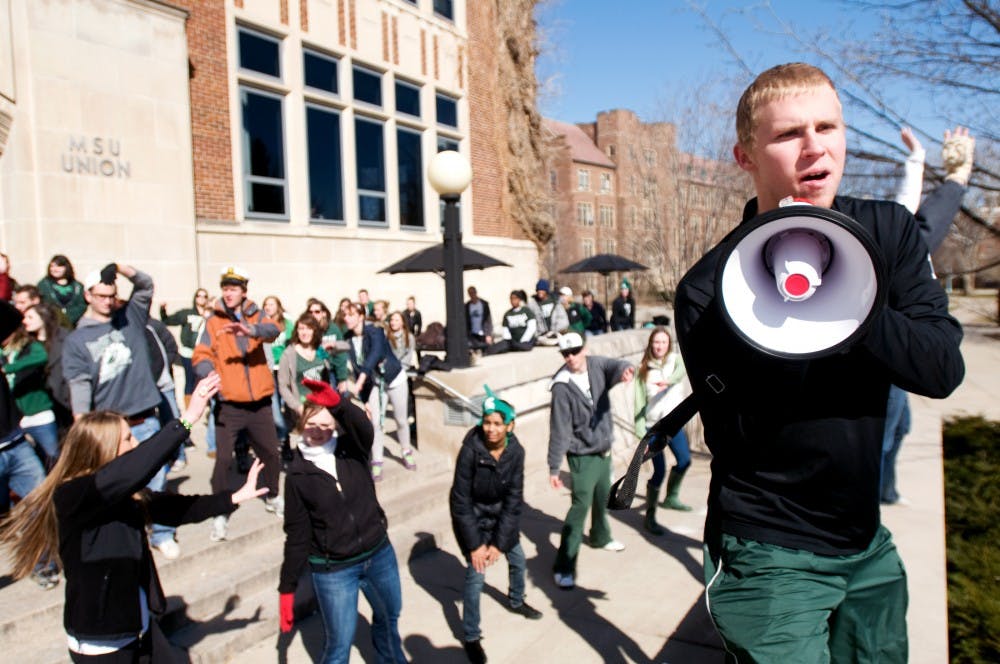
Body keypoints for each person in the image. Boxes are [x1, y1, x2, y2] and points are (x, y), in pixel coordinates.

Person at [673, 63, 964, 662]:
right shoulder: (707, 290)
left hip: (866, 548)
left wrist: (856, 305)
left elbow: (940, 369)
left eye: (828, 126)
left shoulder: (889, 232)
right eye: (787, 135)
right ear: (744, 156)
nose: (815, 148)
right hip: (770, 554)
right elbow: (737, 434)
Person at [0, 373, 267, 663]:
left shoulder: (127, 495)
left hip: (140, 628)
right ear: (101, 448)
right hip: (103, 645)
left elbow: (177, 508)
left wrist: (232, 498)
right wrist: (187, 419)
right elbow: (136, 467)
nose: (134, 444)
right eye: (127, 439)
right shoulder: (75, 495)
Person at [278, 379, 407, 664]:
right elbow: (297, 535)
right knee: (339, 645)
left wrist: (339, 403)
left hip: (378, 554)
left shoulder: (352, 448)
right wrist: (287, 587)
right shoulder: (297, 476)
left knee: (388, 620)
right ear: (301, 424)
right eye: (312, 425)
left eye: (326, 425)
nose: (319, 431)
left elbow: (364, 427)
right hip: (334, 570)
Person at [881, 125, 974, 506]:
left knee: (901, 426)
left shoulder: (903, 240)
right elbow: (921, 220)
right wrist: (954, 177)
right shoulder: (896, 244)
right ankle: (867, 507)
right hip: (887, 353)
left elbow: (911, 213)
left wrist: (918, 160)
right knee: (883, 434)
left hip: (904, 344)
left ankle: (886, 491)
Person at [62, 263, 181, 558]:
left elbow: (145, 285)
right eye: (101, 295)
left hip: (145, 419)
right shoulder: (77, 340)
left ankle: (162, 533)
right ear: (88, 295)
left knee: (157, 479)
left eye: (112, 295)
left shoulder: (130, 316)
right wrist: (83, 426)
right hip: (112, 427)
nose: (107, 301)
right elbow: (79, 388)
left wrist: (122, 268)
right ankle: (133, 534)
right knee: (120, 488)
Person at [450, 387, 542, 663]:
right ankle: (471, 636)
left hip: (502, 518)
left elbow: (514, 500)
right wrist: (477, 545)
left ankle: (516, 600)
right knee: (475, 578)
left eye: (497, 424)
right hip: (473, 520)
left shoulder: (517, 452)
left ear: (510, 425)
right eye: (486, 422)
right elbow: (460, 501)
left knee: (518, 560)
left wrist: (499, 544)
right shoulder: (470, 450)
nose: (491, 429)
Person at [192, 266, 284, 543]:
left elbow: (273, 330)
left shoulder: (257, 313)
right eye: (225, 288)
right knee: (222, 460)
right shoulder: (212, 322)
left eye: (234, 288)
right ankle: (221, 511)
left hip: (259, 404)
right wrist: (208, 372)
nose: (229, 293)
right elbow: (200, 355)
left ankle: (274, 495)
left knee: (270, 452)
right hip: (229, 405)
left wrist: (250, 329)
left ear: (244, 291)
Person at [547, 332, 634, 589]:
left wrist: (625, 370)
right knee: (580, 506)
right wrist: (554, 467)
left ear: (584, 349)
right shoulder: (561, 386)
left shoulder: (595, 364)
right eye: (565, 354)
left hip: (603, 450)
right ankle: (564, 564)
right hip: (581, 456)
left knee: (602, 496)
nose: (571, 357)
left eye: (574, 350)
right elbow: (559, 429)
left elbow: (614, 366)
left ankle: (600, 536)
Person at [342, 302, 415, 480]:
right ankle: (377, 461)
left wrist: (359, 383)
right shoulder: (348, 338)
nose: (347, 318)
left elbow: (374, 355)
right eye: (345, 315)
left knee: (400, 419)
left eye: (351, 315)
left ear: (361, 316)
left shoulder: (375, 331)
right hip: (375, 383)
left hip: (394, 379)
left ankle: (406, 450)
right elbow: (348, 359)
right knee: (375, 422)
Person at [633, 327, 692, 535]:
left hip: (674, 425)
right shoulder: (643, 369)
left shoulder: (675, 361)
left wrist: (668, 382)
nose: (659, 346)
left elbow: (683, 369)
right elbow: (638, 403)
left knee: (685, 460)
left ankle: (671, 497)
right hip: (654, 428)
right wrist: (642, 433)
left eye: (664, 342)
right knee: (659, 471)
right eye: (656, 342)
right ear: (651, 344)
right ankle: (650, 515)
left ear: (669, 345)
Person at [2, 322, 60, 467]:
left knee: (53, 457)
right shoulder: (2, 352)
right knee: (31, 464)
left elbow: (41, 357)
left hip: (39, 416)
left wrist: (9, 368)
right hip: (16, 421)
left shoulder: (29, 346)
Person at [277, 313, 331, 436]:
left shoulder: (320, 351)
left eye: (308, 328)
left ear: (315, 330)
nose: (304, 333)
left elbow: (344, 346)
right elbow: (283, 386)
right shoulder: (288, 354)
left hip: (321, 406)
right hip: (301, 407)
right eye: (301, 328)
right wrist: (297, 406)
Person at [23, 303, 72, 431]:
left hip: (64, 398)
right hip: (43, 402)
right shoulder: (27, 343)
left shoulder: (64, 338)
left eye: (30, 317)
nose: (25, 321)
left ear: (43, 318)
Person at [160, 288, 211, 409]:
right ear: (195, 297)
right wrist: (162, 310)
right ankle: (189, 407)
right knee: (190, 379)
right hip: (188, 353)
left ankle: (204, 405)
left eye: (204, 296)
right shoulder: (187, 314)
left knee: (204, 379)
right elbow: (167, 320)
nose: (201, 298)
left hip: (205, 352)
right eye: (199, 296)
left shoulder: (210, 314)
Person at [308, 298, 351, 393]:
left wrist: (342, 378)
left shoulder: (332, 329)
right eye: (310, 312)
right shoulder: (306, 330)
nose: (313, 315)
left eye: (317, 311)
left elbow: (340, 354)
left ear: (324, 313)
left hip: (332, 371)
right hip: (313, 373)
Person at [37, 255, 87, 327]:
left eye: (59, 266)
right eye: (52, 266)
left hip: (74, 324)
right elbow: (42, 304)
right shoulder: (44, 285)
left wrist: (69, 316)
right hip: (52, 323)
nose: (55, 269)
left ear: (66, 268)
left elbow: (82, 305)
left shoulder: (77, 286)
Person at [484, 290, 536, 356]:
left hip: (525, 341)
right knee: (501, 345)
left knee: (525, 346)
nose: (513, 301)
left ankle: (515, 346)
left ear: (519, 299)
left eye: (515, 298)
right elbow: (506, 330)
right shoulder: (508, 314)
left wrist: (524, 340)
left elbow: (531, 328)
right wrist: (509, 340)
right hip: (512, 341)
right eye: (511, 298)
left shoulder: (526, 311)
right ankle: (486, 351)